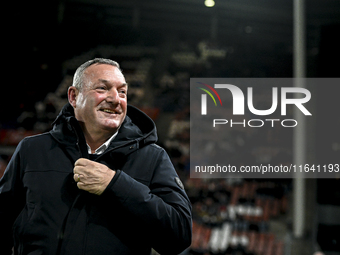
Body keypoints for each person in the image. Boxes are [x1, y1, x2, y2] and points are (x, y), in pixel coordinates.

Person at [0, 58, 192, 255]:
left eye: (122, 92)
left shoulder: (153, 157)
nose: (115, 99)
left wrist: (116, 184)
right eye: (103, 88)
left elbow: (179, 235)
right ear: (73, 97)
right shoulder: (32, 150)